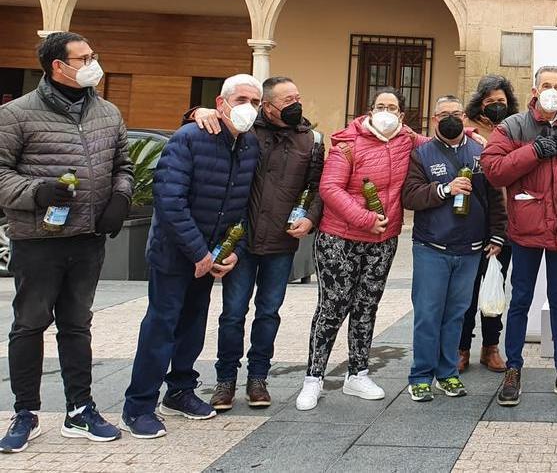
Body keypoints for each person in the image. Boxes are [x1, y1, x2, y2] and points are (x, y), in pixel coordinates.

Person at [0, 32, 131, 452]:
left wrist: (121, 198)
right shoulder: (17, 115)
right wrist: (36, 191)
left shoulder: (107, 112)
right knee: (29, 324)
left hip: (87, 240)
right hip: (38, 240)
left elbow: (124, 165)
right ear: (59, 66)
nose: (93, 63)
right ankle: (25, 412)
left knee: (77, 326)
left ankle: (80, 410)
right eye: (84, 57)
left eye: (94, 54)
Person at [120, 74, 261, 439]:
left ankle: (180, 390)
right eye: (242, 98)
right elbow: (169, 201)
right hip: (175, 252)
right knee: (161, 325)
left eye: (256, 102)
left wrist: (230, 252)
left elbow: (243, 205)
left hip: (211, 254)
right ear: (221, 103)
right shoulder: (189, 138)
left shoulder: (250, 145)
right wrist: (198, 251)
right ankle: (139, 405)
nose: (249, 107)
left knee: (193, 324)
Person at [186, 76, 325, 411]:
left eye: (298, 96)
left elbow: (318, 186)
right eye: (288, 99)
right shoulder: (245, 130)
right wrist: (197, 111)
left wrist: (310, 217)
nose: (296, 104)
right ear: (268, 105)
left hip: (281, 242)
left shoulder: (311, 140)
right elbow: (205, 128)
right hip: (241, 240)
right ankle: (225, 380)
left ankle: (258, 378)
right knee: (233, 313)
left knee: (269, 313)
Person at [296, 87, 428, 411]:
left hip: (382, 242)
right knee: (333, 306)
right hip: (340, 238)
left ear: (401, 115)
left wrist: (468, 133)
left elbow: (443, 148)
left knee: (367, 306)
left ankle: (358, 373)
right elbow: (329, 188)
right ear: (370, 111)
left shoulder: (406, 141)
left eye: (392, 107)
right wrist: (364, 219)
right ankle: (313, 378)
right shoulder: (348, 143)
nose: (385, 112)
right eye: (380, 106)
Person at [480, 65, 557, 406]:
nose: (552, 90)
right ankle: (514, 369)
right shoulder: (513, 126)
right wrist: (535, 150)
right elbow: (493, 170)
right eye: (547, 84)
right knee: (521, 301)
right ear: (534, 89)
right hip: (526, 230)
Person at [403, 95, 507, 401]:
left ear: (465, 117)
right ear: (435, 119)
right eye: (444, 114)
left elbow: (494, 200)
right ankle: (421, 375)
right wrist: (444, 189)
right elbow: (410, 196)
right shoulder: (421, 154)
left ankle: (447, 373)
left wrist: (498, 235)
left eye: (457, 113)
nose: (451, 118)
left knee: (456, 315)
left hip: (470, 248)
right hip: (431, 246)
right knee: (428, 313)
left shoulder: (481, 152)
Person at [458, 74, 518, 373]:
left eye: (502, 102)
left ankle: (491, 347)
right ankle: (462, 347)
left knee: (496, 286)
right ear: (480, 102)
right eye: (491, 101)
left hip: (505, 223)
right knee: (467, 290)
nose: (496, 106)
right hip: (472, 222)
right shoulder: (469, 129)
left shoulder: (515, 128)